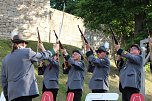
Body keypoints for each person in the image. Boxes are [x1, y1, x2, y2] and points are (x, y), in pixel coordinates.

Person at [1, 34, 59, 101]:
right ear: (23, 43)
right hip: (25, 92)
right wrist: (54, 49)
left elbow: (4, 81)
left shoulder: (5, 59)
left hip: (12, 95)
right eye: (25, 44)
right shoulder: (27, 52)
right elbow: (42, 56)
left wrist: (7, 96)